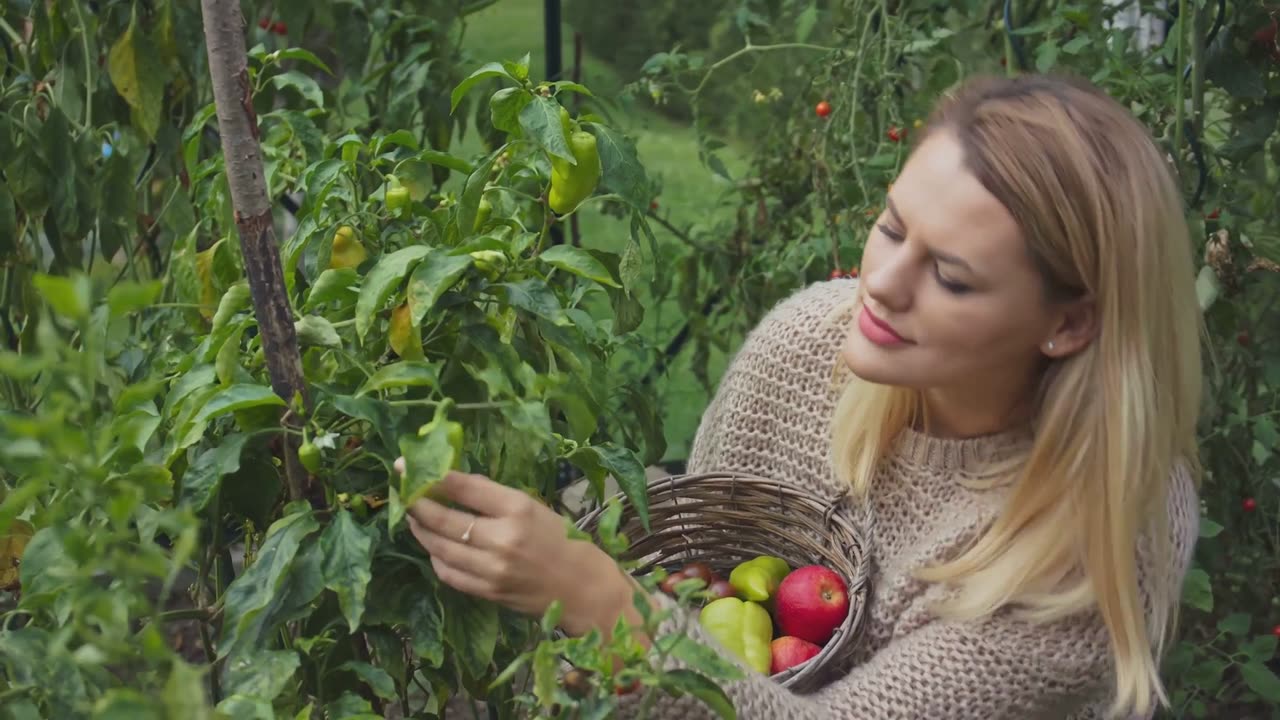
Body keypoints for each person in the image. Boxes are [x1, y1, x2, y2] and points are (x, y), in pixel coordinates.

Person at [398, 72, 1204, 719]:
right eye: (891, 229)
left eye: (951, 276)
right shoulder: (808, 346)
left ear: (1068, 325)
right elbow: (700, 563)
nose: (880, 286)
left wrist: (602, 606)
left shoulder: (1088, 553)